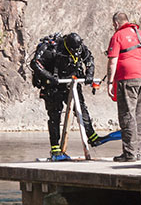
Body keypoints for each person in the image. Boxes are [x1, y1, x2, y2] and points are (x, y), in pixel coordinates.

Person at [30, 32, 120, 161]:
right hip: (53, 85)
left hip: (71, 81)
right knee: (55, 115)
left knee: (81, 109)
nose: (75, 51)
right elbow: (35, 63)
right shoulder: (52, 48)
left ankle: (92, 137)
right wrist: (50, 77)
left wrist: (89, 74)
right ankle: (55, 149)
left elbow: (89, 59)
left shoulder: (80, 47)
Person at [105, 12, 141, 162]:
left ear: (116, 24)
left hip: (127, 79)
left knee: (127, 115)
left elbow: (113, 61)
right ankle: (137, 151)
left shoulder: (118, 36)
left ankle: (129, 153)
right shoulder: (140, 34)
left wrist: (109, 82)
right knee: (140, 115)